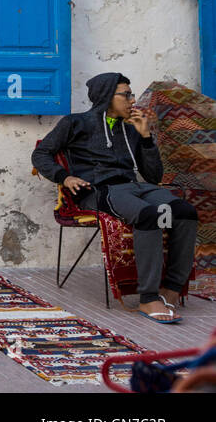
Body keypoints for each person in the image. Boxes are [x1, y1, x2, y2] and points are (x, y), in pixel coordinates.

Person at [32, 72, 198, 324]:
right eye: (127, 94)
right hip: (100, 190)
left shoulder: (130, 130)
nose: (132, 100)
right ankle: (148, 298)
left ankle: (172, 290)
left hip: (134, 187)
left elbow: (153, 176)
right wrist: (64, 177)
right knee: (149, 215)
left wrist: (145, 136)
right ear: (107, 96)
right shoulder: (75, 123)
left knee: (185, 211)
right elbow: (41, 153)